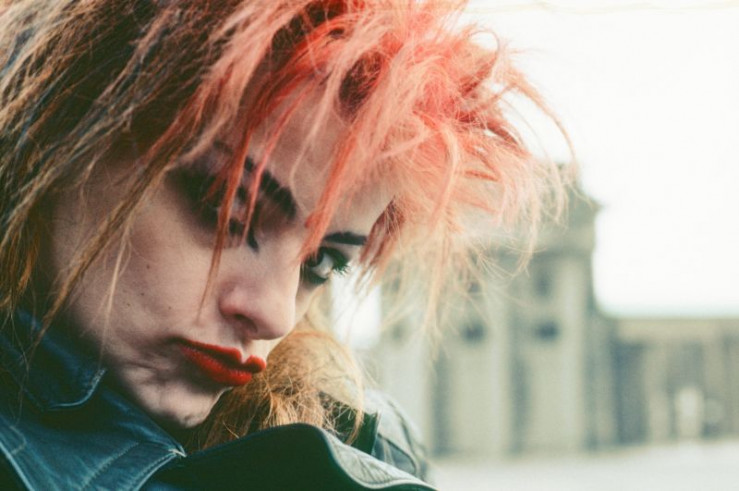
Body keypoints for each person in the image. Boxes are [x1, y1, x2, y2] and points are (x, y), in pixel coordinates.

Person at [0, 0, 566, 489]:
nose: (275, 315)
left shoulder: (368, 449)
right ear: (58, 132)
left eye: (322, 263)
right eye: (226, 209)